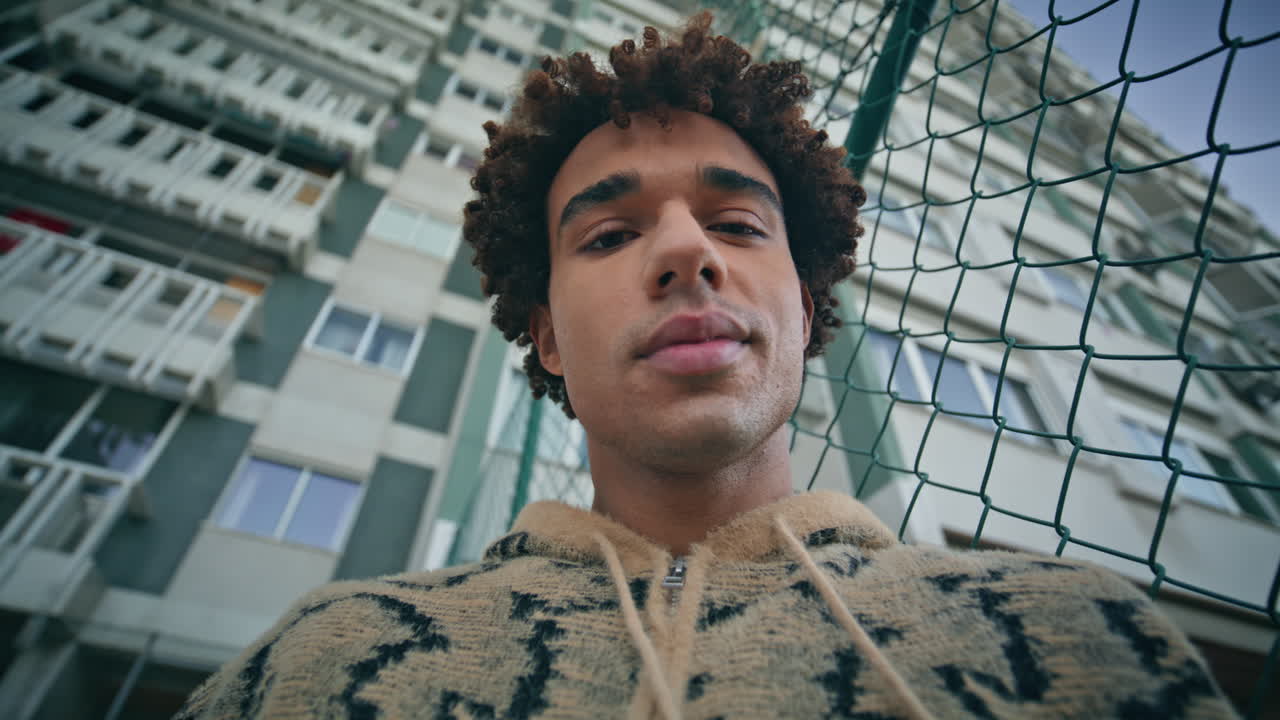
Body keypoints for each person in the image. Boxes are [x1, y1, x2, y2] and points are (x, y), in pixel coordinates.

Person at [175, 14, 1236, 719]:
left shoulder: (1076, 637)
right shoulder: (317, 665)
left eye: (733, 220)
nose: (686, 251)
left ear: (807, 304)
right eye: (605, 236)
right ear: (542, 334)